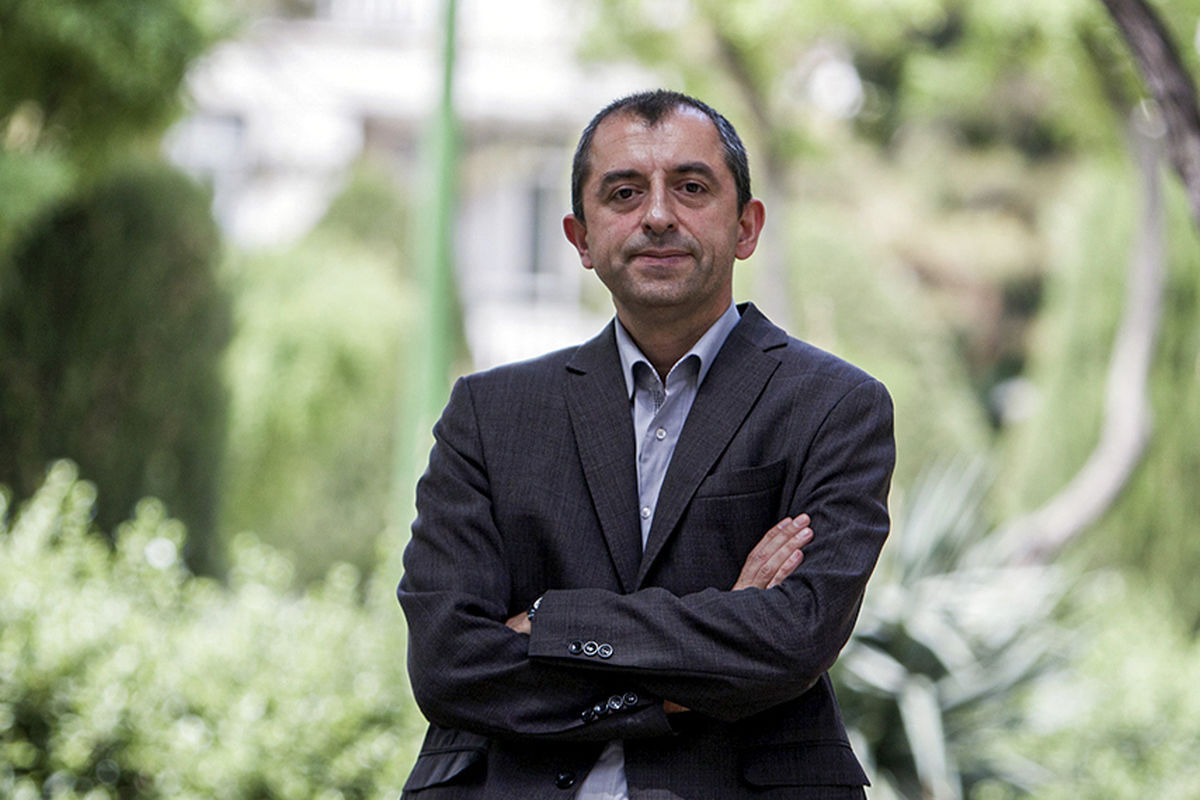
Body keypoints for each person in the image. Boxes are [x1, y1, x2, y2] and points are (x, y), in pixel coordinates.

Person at [397, 89, 895, 799]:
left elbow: (792, 637)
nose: (658, 215)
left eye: (691, 188)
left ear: (747, 226)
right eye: (624, 193)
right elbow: (449, 663)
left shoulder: (835, 407)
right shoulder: (489, 413)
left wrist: (553, 622)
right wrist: (688, 674)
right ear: (581, 238)